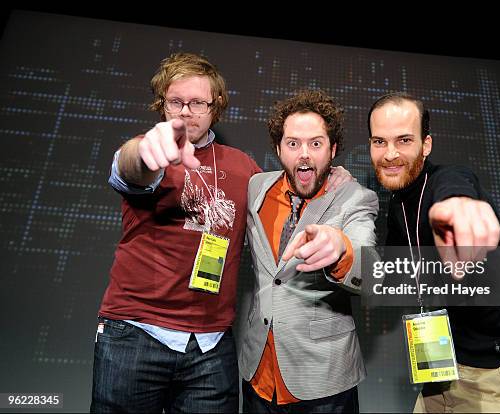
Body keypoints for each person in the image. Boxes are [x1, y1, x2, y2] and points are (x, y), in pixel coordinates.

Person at [90, 52, 353, 413]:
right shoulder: (152, 150)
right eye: (175, 102)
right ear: (161, 105)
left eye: (197, 102)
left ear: (216, 107)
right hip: (135, 334)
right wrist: (142, 153)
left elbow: (291, 189)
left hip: (210, 347)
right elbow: (129, 168)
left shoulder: (243, 167)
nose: (186, 112)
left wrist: (334, 176)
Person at [368, 92, 500, 413]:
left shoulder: (448, 178)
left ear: (426, 145)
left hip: (496, 381)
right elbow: (392, 272)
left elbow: (457, 187)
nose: (390, 153)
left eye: (404, 140)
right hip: (440, 374)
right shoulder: (398, 206)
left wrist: (459, 206)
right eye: (379, 141)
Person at [239, 89, 378, 413]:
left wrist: (341, 249)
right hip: (258, 373)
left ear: (333, 149)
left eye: (316, 144)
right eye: (293, 143)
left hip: (323, 382)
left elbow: (368, 269)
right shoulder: (257, 187)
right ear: (278, 148)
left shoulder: (356, 198)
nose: (304, 154)